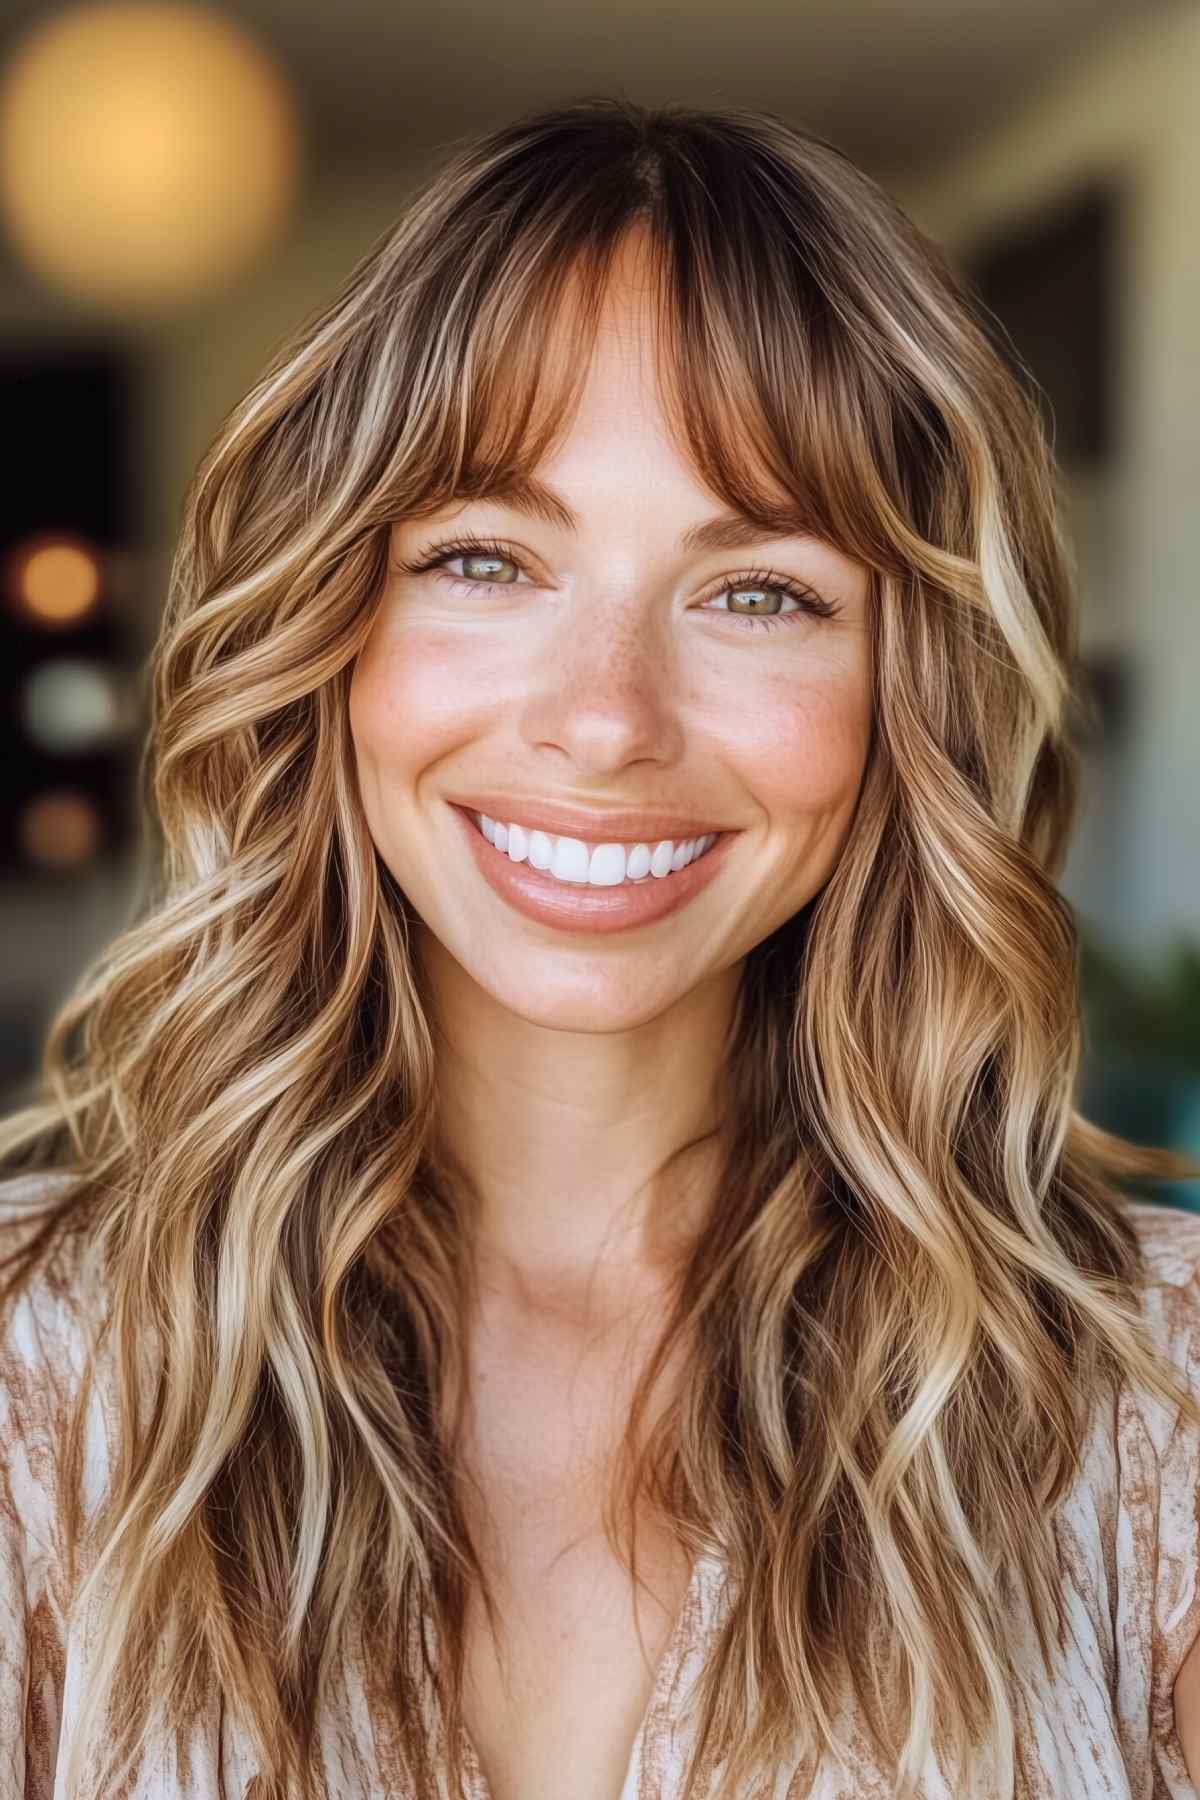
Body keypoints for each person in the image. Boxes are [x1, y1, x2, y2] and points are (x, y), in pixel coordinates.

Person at [2, 96, 1200, 1800]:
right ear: (330, 631)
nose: (604, 719)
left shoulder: (1153, 1394)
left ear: (908, 696)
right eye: (485, 560)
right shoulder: (31, 1367)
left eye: (760, 590)